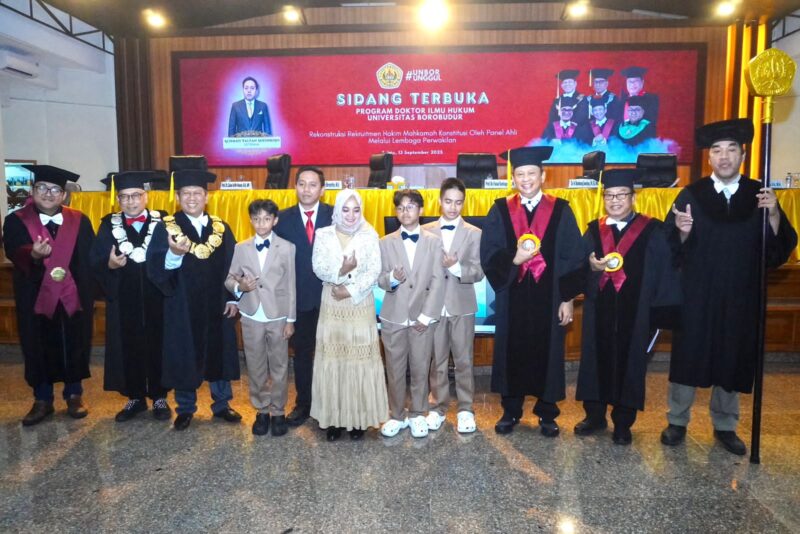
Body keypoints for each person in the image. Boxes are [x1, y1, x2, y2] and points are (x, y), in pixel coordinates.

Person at [661, 118, 797, 455]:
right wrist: (682, 232)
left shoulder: (759, 195)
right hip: (697, 294)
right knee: (690, 354)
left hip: (740, 293)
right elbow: (668, 248)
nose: (724, 157)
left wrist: (774, 216)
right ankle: (677, 419)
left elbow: (776, 252)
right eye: (717, 151)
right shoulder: (692, 194)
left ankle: (725, 424)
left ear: (743, 155)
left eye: (731, 150)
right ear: (709, 157)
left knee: (731, 355)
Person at [480, 147, 584, 437]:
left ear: (543, 175)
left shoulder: (560, 209)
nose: (525, 179)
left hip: (549, 298)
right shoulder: (500, 210)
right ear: (512, 178)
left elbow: (573, 257)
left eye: (531, 173)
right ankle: (510, 410)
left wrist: (567, 298)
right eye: (520, 174)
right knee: (511, 351)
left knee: (547, 352)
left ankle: (547, 413)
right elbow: (488, 252)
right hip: (512, 296)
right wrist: (513, 260)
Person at [574, 169, 680, 445]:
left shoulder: (653, 230)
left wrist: (659, 314)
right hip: (599, 312)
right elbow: (577, 268)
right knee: (595, 360)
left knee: (630, 364)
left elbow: (665, 272)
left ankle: (623, 423)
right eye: (609, 195)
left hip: (637, 314)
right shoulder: (593, 230)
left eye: (621, 195)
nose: (615, 200)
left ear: (633, 197)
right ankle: (594, 416)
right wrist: (591, 268)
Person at [146, 169, 241, 431]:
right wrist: (174, 254)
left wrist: (233, 298)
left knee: (219, 352)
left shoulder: (221, 227)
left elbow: (233, 265)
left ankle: (222, 404)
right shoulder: (166, 228)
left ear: (206, 197)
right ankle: (186, 408)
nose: (191, 198)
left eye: (197, 193)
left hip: (217, 302)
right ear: (177, 197)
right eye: (186, 193)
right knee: (184, 353)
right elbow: (155, 268)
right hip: (182, 304)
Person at [3, 165, 95, 426]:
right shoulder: (16, 220)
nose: (48, 193)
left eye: (55, 190)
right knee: (37, 343)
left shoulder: (79, 220)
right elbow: (13, 250)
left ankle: (74, 394)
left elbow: (88, 258)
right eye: (42, 188)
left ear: (64, 195)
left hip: (73, 295)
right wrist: (32, 254)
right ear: (33, 191)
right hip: (34, 294)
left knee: (74, 341)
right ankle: (42, 399)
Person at [91, 171, 171, 422]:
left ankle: (159, 396)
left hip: (158, 298)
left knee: (159, 345)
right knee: (129, 346)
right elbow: (95, 259)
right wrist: (110, 265)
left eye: (136, 195)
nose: (131, 201)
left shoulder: (163, 222)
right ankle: (135, 397)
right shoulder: (108, 225)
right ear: (118, 200)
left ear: (146, 196)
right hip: (124, 298)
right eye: (124, 197)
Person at [310, 189, 389, 441]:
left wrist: (350, 290)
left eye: (356, 210)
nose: (351, 215)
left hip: (359, 303)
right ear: (337, 210)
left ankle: (358, 420)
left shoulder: (369, 234)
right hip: (332, 301)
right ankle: (334, 420)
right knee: (334, 360)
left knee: (358, 361)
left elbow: (374, 270)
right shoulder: (323, 234)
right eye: (345, 209)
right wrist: (341, 272)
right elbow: (318, 267)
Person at [225, 199, 296, 437]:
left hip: (279, 315)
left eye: (266, 219)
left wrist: (291, 320)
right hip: (251, 314)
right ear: (250, 220)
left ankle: (278, 411)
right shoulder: (241, 247)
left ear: (275, 220)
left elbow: (291, 285)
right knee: (255, 366)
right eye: (256, 219)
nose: (261, 223)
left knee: (279, 365)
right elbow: (230, 278)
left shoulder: (287, 247)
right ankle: (262, 410)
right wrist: (240, 286)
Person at [378, 189, 444, 438]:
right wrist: (392, 279)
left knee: (420, 367)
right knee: (394, 370)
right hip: (393, 316)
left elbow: (438, 281)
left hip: (422, 317)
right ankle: (396, 415)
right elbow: (380, 279)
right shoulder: (385, 242)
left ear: (421, 210)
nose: (405, 212)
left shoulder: (434, 241)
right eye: (400, 207)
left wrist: (427, 316)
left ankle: (417, 414)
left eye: (411, 206)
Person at [423, 178, 484, 434]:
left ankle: (466, 409)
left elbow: (478, 271)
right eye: (448, 201)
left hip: (462, 304)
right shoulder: (425, 231)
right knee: (436, 360)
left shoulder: (474, 233)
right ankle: (437, 407)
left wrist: (457, 267)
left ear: (463, 203)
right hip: (434, 306)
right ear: (439, 201)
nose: (452, 207)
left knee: (463, 360)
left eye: (458, 202)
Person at [274, 166, 334, 427]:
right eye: (302, 184)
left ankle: (332, 405)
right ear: (295, 186)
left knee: (333, 353)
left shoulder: (337, 215)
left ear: (322, 189)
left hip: (333, 297)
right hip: (298, 299)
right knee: (302, 354)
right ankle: (303, 404)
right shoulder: (282, 219)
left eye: (312, 184)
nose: (306, 189)